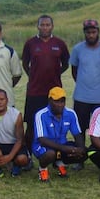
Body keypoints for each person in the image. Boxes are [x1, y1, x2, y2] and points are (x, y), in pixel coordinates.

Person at [22, 15, 70, 169]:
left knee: (56, 125)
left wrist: (54, 74)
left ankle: (56, 157)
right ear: (37, 26)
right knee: (31, 125)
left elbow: (65, 64)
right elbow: (25, 63)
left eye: (47, 25)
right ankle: (27, 156)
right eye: (42, 25)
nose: (44, 27)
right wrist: (34, 75)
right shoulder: (30, 43)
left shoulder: (59, 44)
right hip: (35, 91)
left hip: (54, 91)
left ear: (52, 26)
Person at [69, 19, 100, 170]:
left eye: (93, 32)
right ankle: (80, 159)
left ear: (98, 32)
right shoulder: (77, 49)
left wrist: (97, 84)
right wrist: (83, 83)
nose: (91, 34)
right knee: (79, 129)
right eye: (88, 32)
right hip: (81, 97)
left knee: (99, 130)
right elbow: (74, 71)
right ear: (84, 33)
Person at [32, 87, 87, 182]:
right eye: (56, 101)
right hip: (43, 146)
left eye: (62, 101)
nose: (60, 105)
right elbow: (42, 140)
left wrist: (80, 149)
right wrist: (65, 149)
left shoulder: (71, 113)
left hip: (61, 145)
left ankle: (58, 162)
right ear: (49, 101)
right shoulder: (41, 115)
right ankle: (42, 169)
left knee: (85, 152)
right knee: (50, 154)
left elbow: (78, 134)